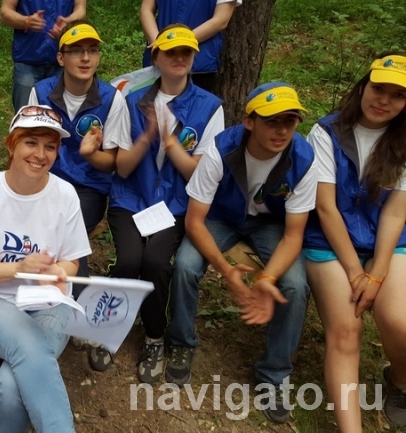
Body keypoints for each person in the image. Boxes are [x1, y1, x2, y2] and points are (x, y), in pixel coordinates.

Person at [166, 82, 316, 423]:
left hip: (271, 224)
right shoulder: (221, 150)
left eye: (290, 121)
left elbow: (294, 235)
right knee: (186, 265)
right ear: (249, 121)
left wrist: (267, 278)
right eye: (272, 121)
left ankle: (274, 375)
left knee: (295, 285)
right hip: (221, 217)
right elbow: (194, 221)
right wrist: (226, 270)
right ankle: (182, 344)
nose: (282, 130)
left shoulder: (304, 159)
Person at [0, 105, 91, 433]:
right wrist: (18, 268)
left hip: (50, 304)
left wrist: (58, 272)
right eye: (31, 142)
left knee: (13, 387)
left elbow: (71, 261)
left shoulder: (65, 195)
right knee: (30, 348)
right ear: (11, 145)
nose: (40, 154)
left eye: (50, 146)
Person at [94, 24, 224, 378]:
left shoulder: (210, 107)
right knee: (128, 261)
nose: (179, 58)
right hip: (130, 197)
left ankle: (154, 338)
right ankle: (109, 329)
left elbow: (199, 175)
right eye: (171, 52)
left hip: (174, 205)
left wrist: (170, 144)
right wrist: (147, 136)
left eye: (187, 52)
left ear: (195, 57)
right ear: (156, 58)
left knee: (154, 262)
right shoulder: (131, 99)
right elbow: (122, 168)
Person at [302, 53, 406, 431]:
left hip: (386, 240)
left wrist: (376, 274)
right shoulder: (326, 132)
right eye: (378, 88)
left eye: (398, 95)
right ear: (363, 87)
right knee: (347, 330)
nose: (384, 100)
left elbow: (395, 213)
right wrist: (354, 272)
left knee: (398, 321)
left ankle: (399, 382)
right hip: (329, 241)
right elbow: (326, 207)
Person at [28, 22, 128, 295]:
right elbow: (28, 144)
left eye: (92, 50)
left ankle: (75, 303)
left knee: (67, 229)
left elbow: (112, 162)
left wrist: (91, 154)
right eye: (76, 51)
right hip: (46, 180)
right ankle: (37, 295)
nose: (85, 58)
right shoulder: (41, 92)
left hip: (89, 187)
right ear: (61, 58)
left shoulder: (112, 99)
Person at [139, 0, 242, 93]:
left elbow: (221, 20)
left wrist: (176, 42)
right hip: (159, 57)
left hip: (199, 63)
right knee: (151, 102)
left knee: (193, 103)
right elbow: (146, 10)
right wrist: (159, 42)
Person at [0, 0, 87, 112]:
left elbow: (81, 9)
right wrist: (27, 21)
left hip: (63, 60)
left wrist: (68, 23)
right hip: (27, 59)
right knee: (26, 116)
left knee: (61, 117)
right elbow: (5, 13)